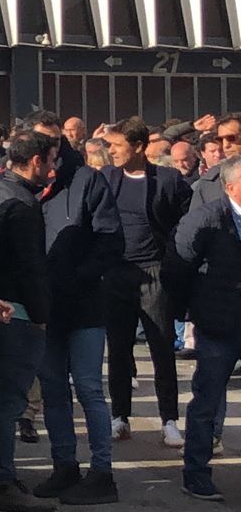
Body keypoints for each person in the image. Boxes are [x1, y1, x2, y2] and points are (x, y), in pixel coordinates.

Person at [26, 112, 124, 505]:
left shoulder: (88, 180)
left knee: (88, 388)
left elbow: (109, 240)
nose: (47, 152)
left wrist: (78, 277)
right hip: (45, 306)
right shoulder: (28, 185)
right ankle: (63, 465)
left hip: (84, 304)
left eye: (52, 143)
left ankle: (102, 473)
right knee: (52, 389)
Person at [0, 130, 56, 512]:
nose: (53, 167)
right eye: (51, 159)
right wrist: (41, 316)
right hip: (14, 312)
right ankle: (2, 480)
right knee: (8, 401)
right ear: (36, 160)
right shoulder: (21, 204)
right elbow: (31, 268)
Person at [99, 118, 191, 449]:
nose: (111, 152)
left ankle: (169, 420)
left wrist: (172, 258)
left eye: (117, 146)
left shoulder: (167, 180)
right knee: (119, 349)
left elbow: (186, 221)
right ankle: (119, 417)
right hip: (117, 273)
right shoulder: (107, 179)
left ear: (138, 147)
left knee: (161, 348)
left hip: (155, 272)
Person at [176, 157, 241, 501]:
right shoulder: (208, 217)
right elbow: (180, 264)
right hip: (218, 323)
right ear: (230, 187)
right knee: (207, 399)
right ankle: (196, 473)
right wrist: (192, 310)